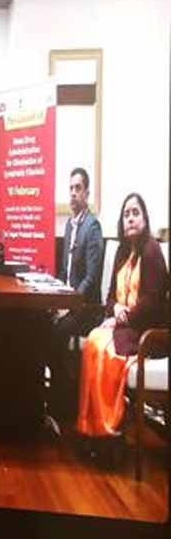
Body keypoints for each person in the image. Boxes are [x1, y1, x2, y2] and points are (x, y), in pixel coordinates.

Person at [76, 193, 168, 455]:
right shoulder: (122, 251)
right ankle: (92, 428)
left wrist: (123, 317)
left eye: (135, 213)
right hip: (123, 326)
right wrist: (115, 310)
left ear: (145, 218)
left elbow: (152, 301)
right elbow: (109, 298)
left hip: (146, 331)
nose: (130, 218)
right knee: (93, 342)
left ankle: (109, 429)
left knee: (106, 351)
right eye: (126, 214)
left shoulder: (152, 250)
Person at [45, 168, 104, 430]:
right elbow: (64, 272)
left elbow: (91, 278)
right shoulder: (70, 225)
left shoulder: (92, 227)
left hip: (86, 308)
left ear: (86, 193)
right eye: (70, 188)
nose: (73, 193)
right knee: (42, 324)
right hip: (69, 303)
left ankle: (64, 402)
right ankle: (60, 396)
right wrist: (55, 297)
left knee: (56, 332)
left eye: (78, 188)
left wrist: (69, 305)